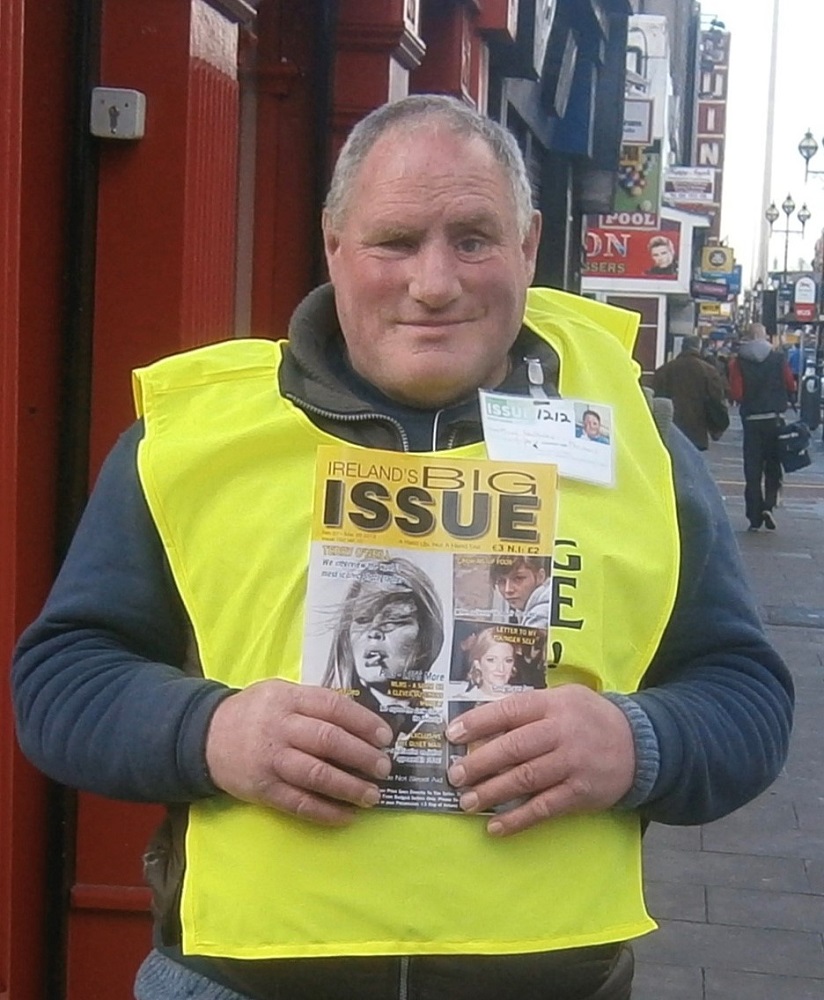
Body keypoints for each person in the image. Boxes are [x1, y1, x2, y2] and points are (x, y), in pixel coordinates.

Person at [11, 94, 793, 1000]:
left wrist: (637, 743)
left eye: (473, 238)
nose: (434, 282)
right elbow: (59, 679)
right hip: (236, 981)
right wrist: (213, 731)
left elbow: (747, 698)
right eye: (394, 242)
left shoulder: (639, 448)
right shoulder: (191, 442)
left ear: (529, 247)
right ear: (335, 246)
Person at [728, 322, 796, 531]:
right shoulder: (778, 358)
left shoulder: (738, 361)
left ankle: (754, 516)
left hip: (752, 421)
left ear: (748, 337)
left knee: (753, 469)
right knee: (773, 466)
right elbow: (790, 384)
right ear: (765, 337)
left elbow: (737, 393)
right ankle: (769, 504)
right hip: (774, 419)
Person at [652, 334, 730, 451]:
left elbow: (655, 397)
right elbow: (716, 401)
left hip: (670, 428)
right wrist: (717, 427)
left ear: (682, 348)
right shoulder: (708, 371)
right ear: (699, 348)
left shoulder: (664, 370)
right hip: (696, 429)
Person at [457, 628, 520, 701]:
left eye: (508, 660)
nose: (501, 668)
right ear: (477, 663)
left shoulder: (523, 700)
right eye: (491, 660)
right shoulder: (464, 701)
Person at [489, 555, 551, 626]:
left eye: (518, 578)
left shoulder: (541, 614)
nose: (508, 590)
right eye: (501, 581)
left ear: (540, 577)